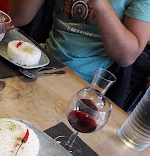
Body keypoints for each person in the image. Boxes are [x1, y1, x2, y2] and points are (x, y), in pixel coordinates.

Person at [8, 0, 150, 107]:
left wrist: (100, 4)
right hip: (39, 64)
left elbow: (127, 57)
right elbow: (17, 17)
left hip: (84, 90)